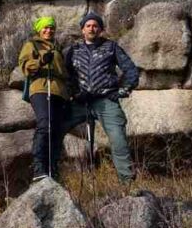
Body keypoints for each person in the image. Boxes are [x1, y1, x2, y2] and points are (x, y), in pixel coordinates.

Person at [64, 11, 140, 184]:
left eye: (95, 26)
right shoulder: (72, 50)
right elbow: (65, 76)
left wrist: (123, 90)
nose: (92, 28)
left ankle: (127, 182)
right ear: (82, 30)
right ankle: (51, 178)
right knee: (55, 129)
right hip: (79, 102)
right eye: (88, 26)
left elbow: (131, 70)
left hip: (106, 100)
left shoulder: (111, 47)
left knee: (118, 138)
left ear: (100, 29)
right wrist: (71, 93)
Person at [18, 15, 70, 181]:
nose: (49, 30)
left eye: (52, 28)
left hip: (59, 93)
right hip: (41, 89)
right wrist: (40, 61)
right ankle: (39, 167)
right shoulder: (32, 44)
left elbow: (65, 73)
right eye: (45, 27)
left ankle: (52, 169)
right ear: (39, 29)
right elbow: (25, 66)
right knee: (45, 124)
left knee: (56, 131)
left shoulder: (58, 48)